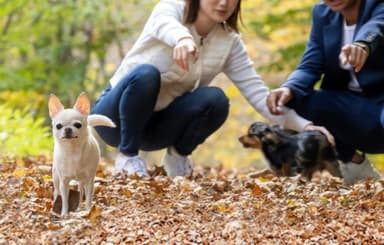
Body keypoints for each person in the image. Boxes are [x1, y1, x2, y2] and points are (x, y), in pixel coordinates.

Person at [91, 0, 330, 177]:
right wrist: (183, 39)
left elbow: (258, 94)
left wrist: (305, 126)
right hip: (115, 121)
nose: (224, 2)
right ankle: (127, 158)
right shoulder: (172, 8)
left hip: (157, 128)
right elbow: (165, 23)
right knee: (146, 74)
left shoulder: (229, 41)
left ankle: (177, 158)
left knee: (216, 100)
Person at [267, 0, 383, 185]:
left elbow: (377, 26)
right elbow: (310, 65)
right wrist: (288, 88)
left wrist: (362, 45)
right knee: (293, 99)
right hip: (354, 110)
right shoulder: (322, 13)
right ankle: (356, 167)